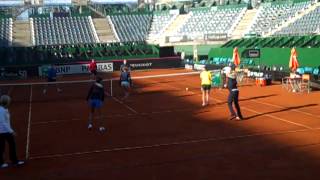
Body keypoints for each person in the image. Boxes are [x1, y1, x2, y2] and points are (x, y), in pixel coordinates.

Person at [0, 95, 25, 168]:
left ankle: (14, 161)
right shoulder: (1, 111)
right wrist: (11, 131)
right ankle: (1, 163)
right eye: (9, 101)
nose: (10, 102)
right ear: (6, 102)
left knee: (12, 145)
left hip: (6, 131)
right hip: (2, 132)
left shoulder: (5, 109)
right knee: (1, 147)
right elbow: (3, 122)